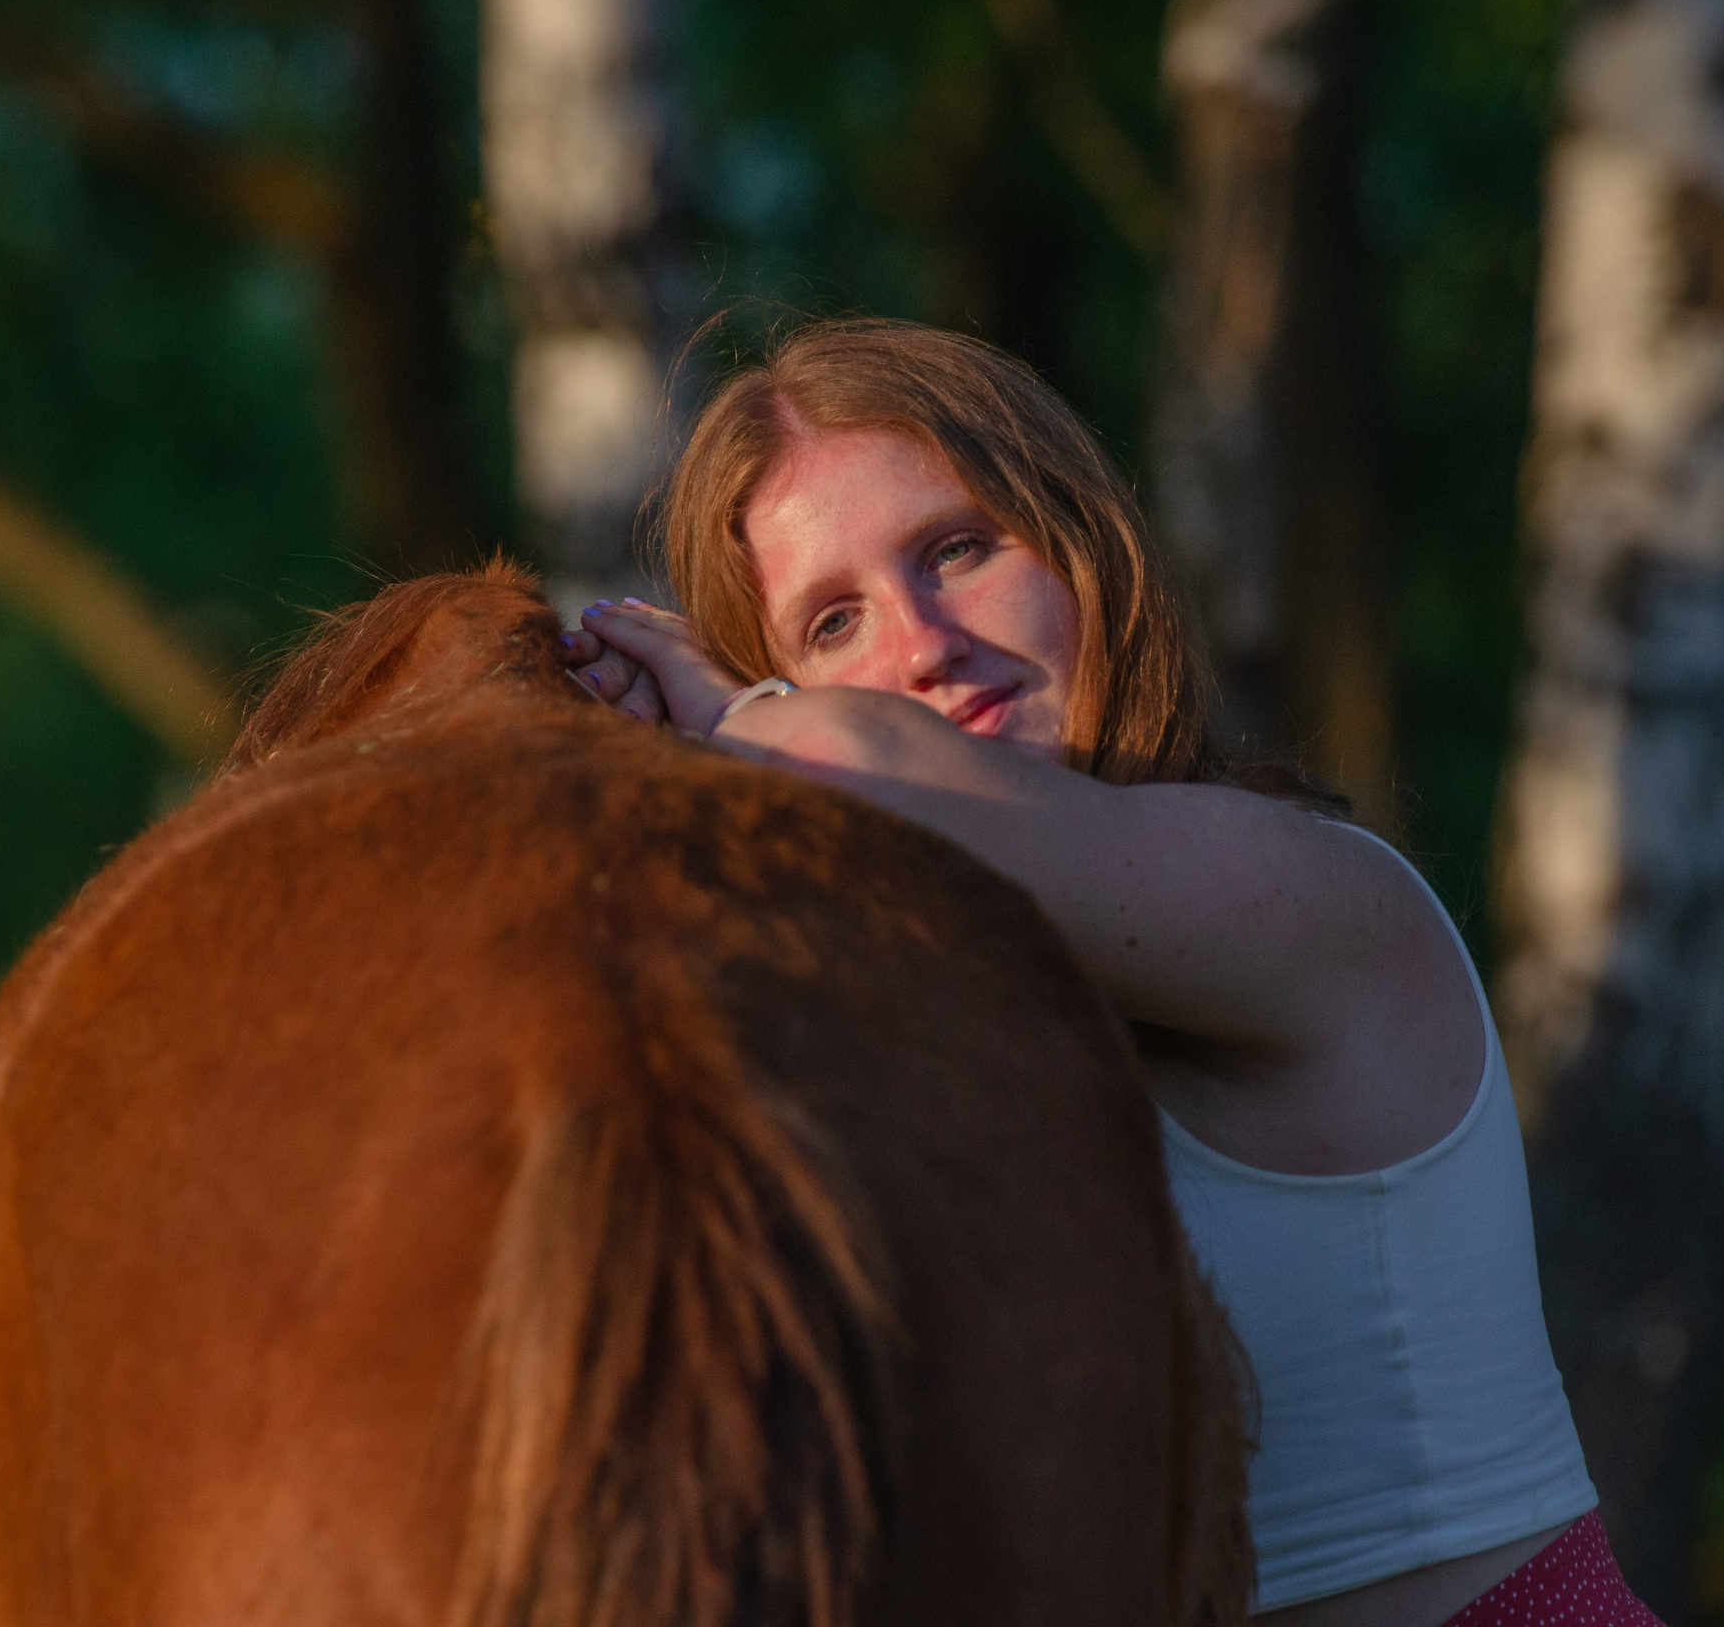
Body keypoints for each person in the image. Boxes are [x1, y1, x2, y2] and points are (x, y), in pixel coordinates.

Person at [558, 318, 1652, 1627]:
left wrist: (733, 725)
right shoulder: (923, 1058)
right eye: (834, 620)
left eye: (956, 550)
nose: (919, 646)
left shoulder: (1320, 898)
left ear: (1080, 544)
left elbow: (879, 777)